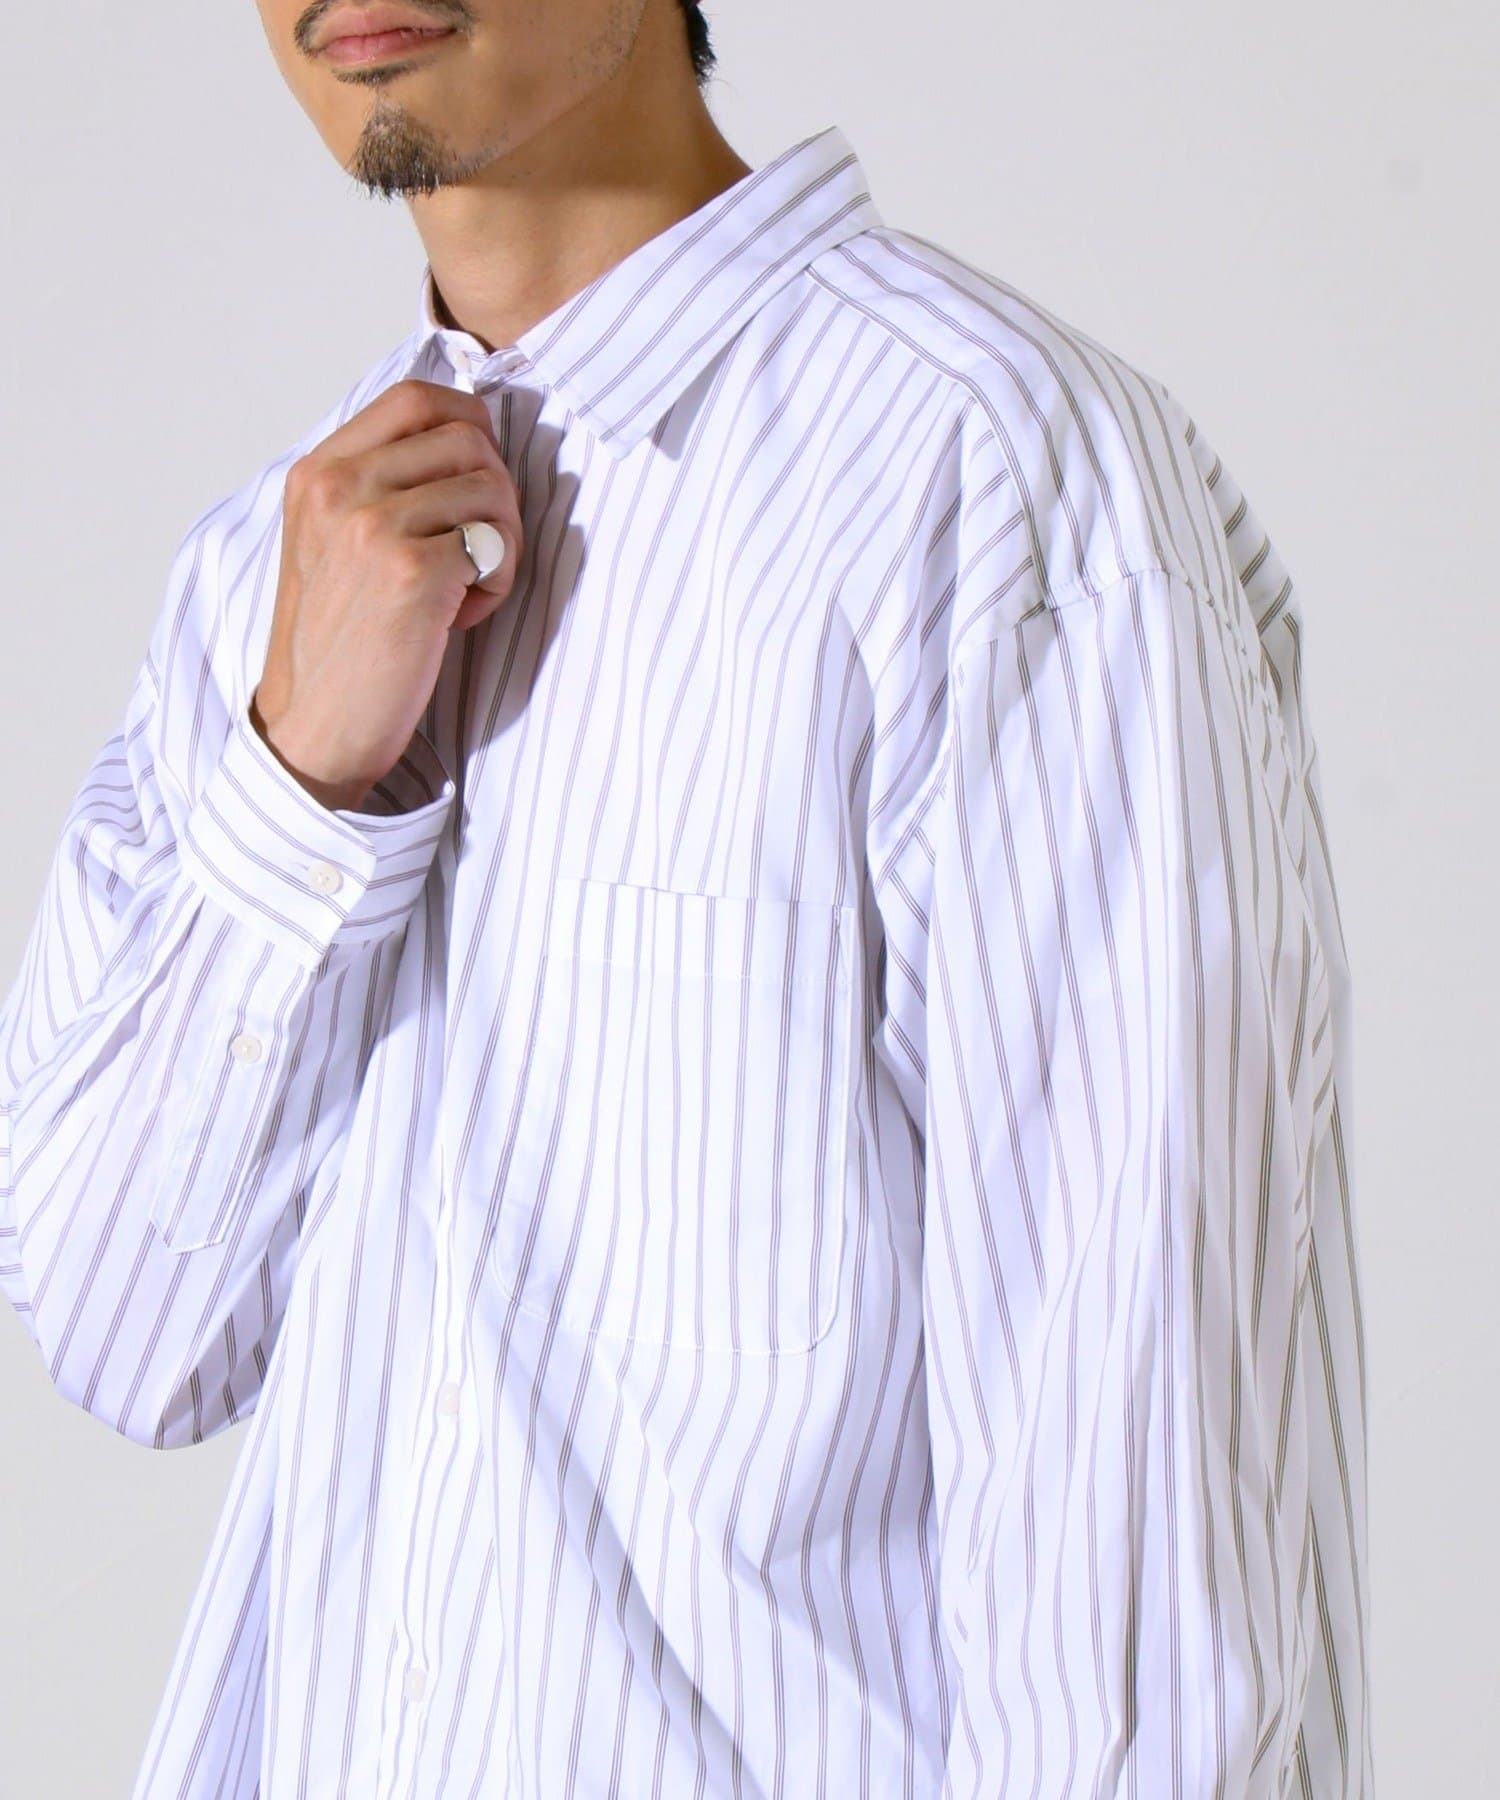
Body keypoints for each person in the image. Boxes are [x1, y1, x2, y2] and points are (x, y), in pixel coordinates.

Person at [0, 1, 1373, 1793]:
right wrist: (302, 781)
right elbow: (130, 1337)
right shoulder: (266, 572)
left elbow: (1149, 1559)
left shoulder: (990, 484)